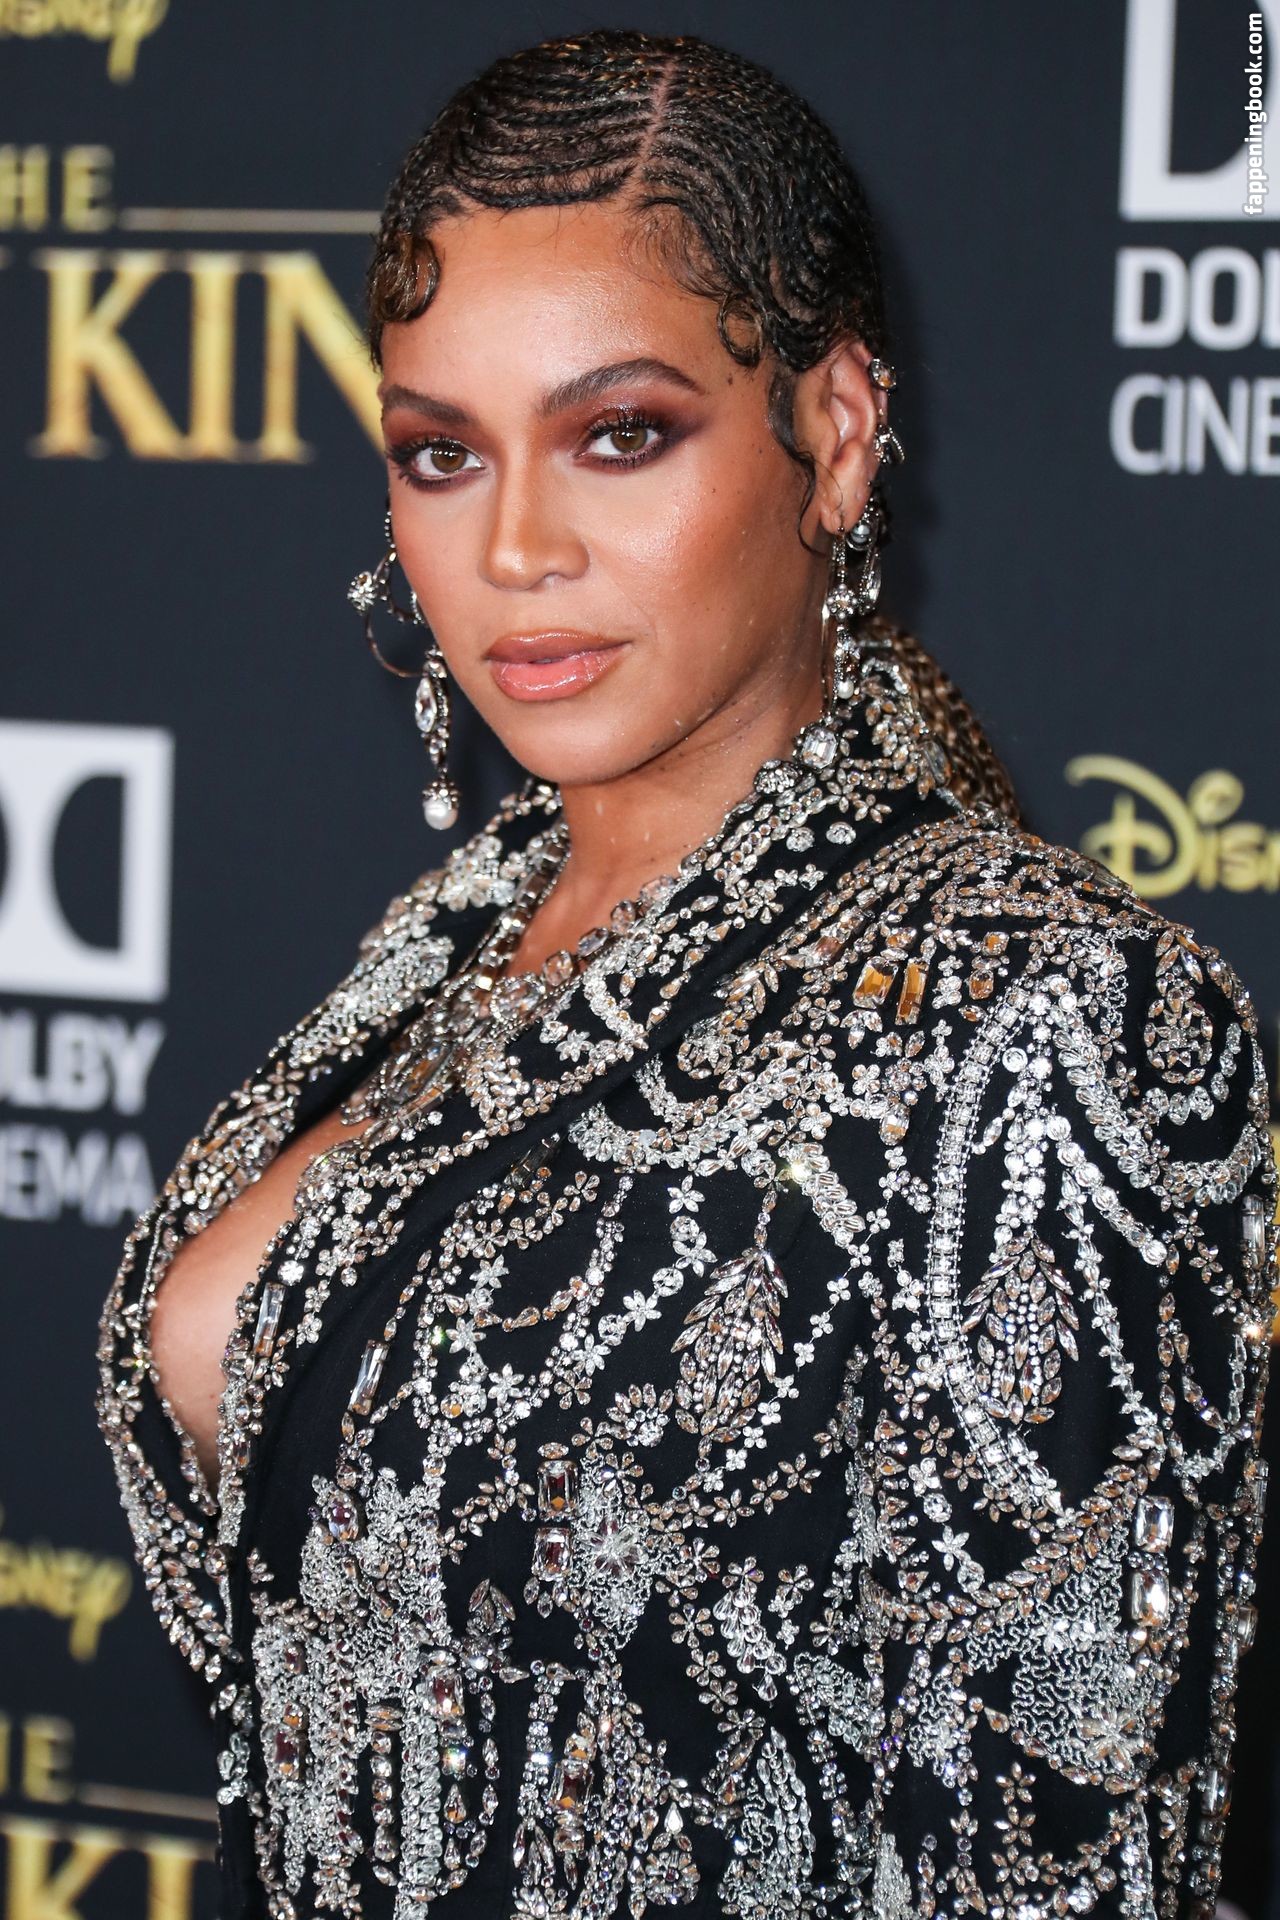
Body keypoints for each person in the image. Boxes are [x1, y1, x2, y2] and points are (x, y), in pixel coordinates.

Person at [96, 28, 1274, 1920]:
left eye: (620, 434)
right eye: (441, 453)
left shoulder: (1049, 1013)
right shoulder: (452, 938)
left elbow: (1072, 1857)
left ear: (837, 432)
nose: (515, 549)